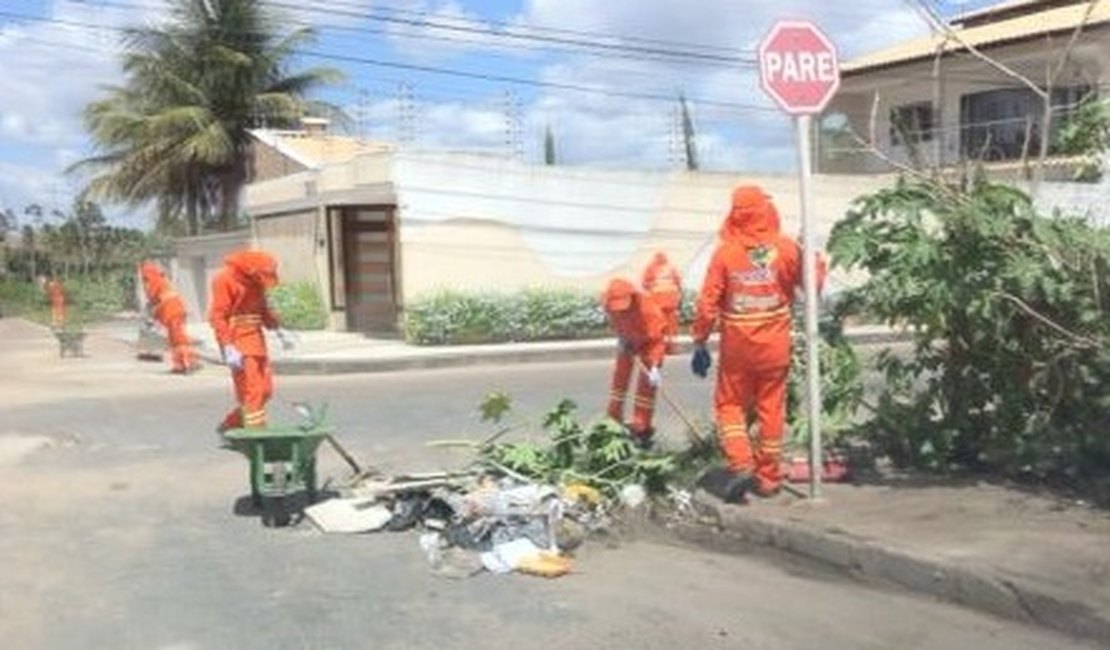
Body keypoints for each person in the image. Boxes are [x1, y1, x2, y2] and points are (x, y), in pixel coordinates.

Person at [690, 185, 825, 502]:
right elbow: (812, 288)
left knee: (729, 405)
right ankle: (768, 479)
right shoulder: (786, 248)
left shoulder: (726, 253)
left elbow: (708, 302)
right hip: (775, 343)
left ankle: (741, 463)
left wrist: (699, 340)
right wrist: (813, 256)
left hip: (738, 344)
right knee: (771, 408)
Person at [209, 250, 290, 432]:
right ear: (251, 270)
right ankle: (257, 435)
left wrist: (279, 328)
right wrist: (227, 346)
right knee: (252, 391)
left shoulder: (256, 283)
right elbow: (217, 316)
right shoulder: (224, 279)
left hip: (257, 341)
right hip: (238, 343)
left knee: (266, 390)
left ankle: (232, 423)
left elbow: (262, 311)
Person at [602, 278, 668, 449]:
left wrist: (654, 366)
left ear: (633, 297)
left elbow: (657, 340)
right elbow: (615, 321)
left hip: (650, 344)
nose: (621, 309)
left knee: (646, 387)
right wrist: (622, 338)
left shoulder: (648, 310)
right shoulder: (608, 304)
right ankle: (613, 419)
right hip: (628, 342)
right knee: (619, 381)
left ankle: (641, 427)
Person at [139, 260, 198, 374]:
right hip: (174, 310)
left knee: (178, 339)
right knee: (176, 339)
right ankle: (183, 363)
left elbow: (153, 297)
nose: (143, 280)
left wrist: (151, 308)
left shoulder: (154, 280)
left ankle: (187, 363)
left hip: (172, 311)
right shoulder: (162, 280)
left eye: (144, 277)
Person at [641, 251, 683, 353]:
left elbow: (645, 283)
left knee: (659, 323)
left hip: (657, 301)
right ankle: (672, 346)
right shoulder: (671, 267)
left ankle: (660, 347)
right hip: (671, 300)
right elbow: (678, 282)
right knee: (671, 324)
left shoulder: (650, 268)